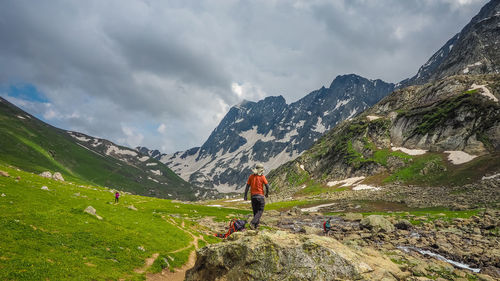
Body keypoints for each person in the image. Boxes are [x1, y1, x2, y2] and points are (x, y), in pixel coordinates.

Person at [243, 163, 270, 230]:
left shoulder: (251, 177)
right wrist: (267, 193)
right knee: (260, 210)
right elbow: (267, 186)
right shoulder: (262, 177)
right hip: (260, 196)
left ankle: (256, 226)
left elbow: (247, 186)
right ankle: (252, 223)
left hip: (253, 197)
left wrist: (245, 196)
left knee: (255, 212)